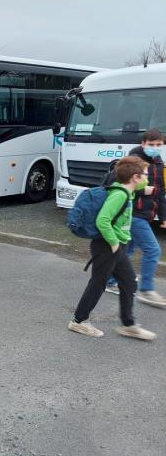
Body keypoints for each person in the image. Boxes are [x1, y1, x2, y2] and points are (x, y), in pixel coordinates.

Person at [69, 156, 157, 341]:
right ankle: (79, 321)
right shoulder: (120, 194)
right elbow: (103, 220)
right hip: (107, 246)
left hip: (115, 246)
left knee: (129, 283)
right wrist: (114, 242)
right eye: (145, 175)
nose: (148, 179)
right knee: (98, 283)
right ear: (135, 177)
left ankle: (128, 324)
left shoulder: (128, 193)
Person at [106, 129, 166, 307]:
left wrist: (163, 216)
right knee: (153, 250)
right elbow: (119, 183)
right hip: (133, 213)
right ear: (143, 144)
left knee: (127, 251)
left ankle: (109, 281)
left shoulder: (158, 161)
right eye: (151, 145)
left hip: (147, 214)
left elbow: (161, 191)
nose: (155, 148)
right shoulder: (133, 160)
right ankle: (147, 290)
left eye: (159, 145)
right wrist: (143, 190)